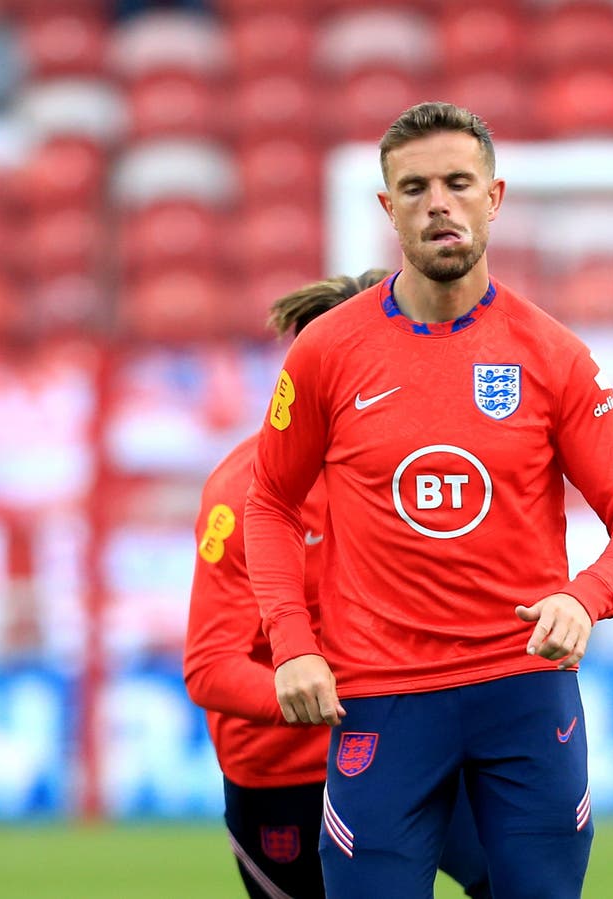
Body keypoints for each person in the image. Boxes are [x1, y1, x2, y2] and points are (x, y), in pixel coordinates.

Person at [243, 101, 613, 899]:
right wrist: (293, 641)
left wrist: (585, 597)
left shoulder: (552, 355)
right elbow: (269, 500)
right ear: (388, 208)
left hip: (524, 691)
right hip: (381, 697)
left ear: (494, 197)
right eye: (415, 188)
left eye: (458, 183)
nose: (438, 203)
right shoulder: (329, 351)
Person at [185, 269, 492, 899]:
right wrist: (336, 697)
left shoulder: (426, 470)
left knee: (518, 874)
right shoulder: (242, 493)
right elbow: (211, 667)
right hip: (289, 771)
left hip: (414, 743)